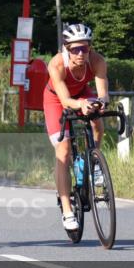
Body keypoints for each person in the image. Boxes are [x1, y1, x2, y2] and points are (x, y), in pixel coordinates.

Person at [43, 23, 110, 232]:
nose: (81, 53)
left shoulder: (97, 61)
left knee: (98, 120)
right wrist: (80, 104)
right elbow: (65, 100)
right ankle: (67, 210)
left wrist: (99, 103)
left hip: (82, 92)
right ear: (66, 48)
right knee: (63, 151)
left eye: (85, 48)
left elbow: (103, 94)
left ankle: (92, 160)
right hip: (56, 100)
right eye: (75, 49)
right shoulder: (56, 65)